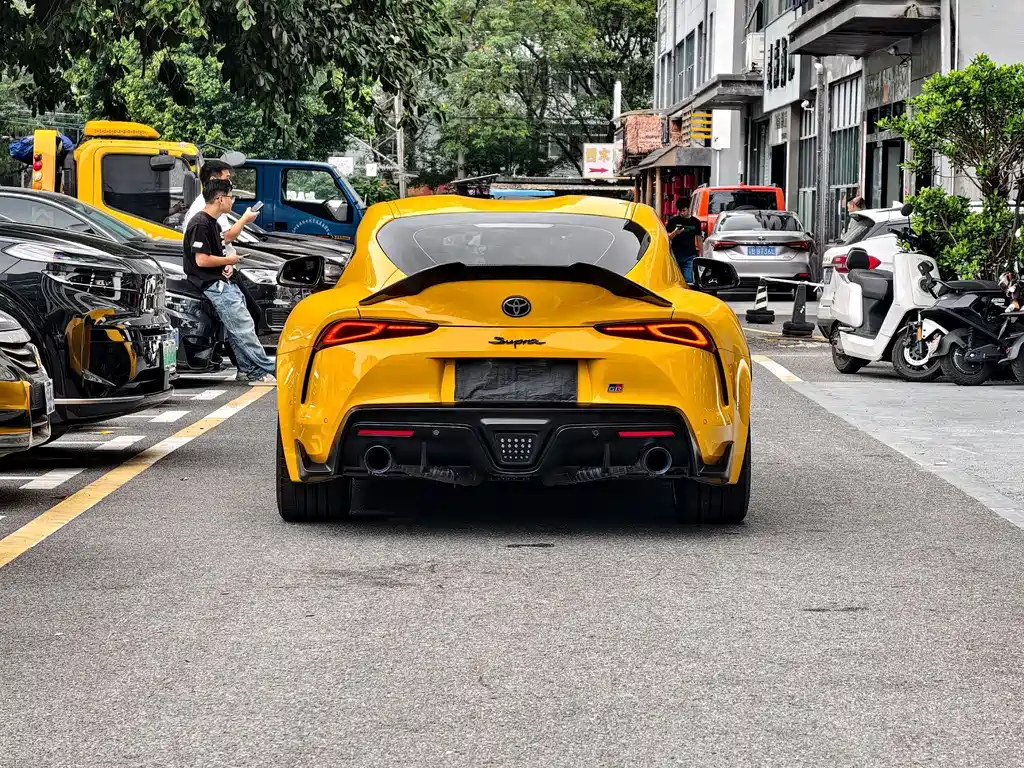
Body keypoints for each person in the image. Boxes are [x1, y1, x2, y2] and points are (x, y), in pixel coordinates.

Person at [183, 179, 276, 386]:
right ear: (220, 198)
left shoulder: (213, 222)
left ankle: (249, 370)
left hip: (221, 280)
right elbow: (201, 260)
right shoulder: (200, 223)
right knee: (243, 327)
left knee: (238, 328)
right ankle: (269, 369)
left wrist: (226, 264)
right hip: (213, 285)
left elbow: (214, 254)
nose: (232, 201)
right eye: (231, 197)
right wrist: (229, 260)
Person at [183, 159, 256, 251]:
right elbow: (226, 237)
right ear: (213, 180)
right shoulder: (205, 206)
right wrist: (244, 220)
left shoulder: (210, 202)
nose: (230, 182)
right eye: (227, 178)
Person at [665, 196, 702, 284]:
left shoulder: (696, 222)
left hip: (690, 256)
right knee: (675, 282)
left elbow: (699, 239)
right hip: (675, 256)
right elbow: (667, 237)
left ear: (689, 209)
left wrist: (701, 253)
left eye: (684, 210)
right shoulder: (673, 221)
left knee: (689, 281)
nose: (681, 213)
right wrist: (675, 232)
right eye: (679, 210)